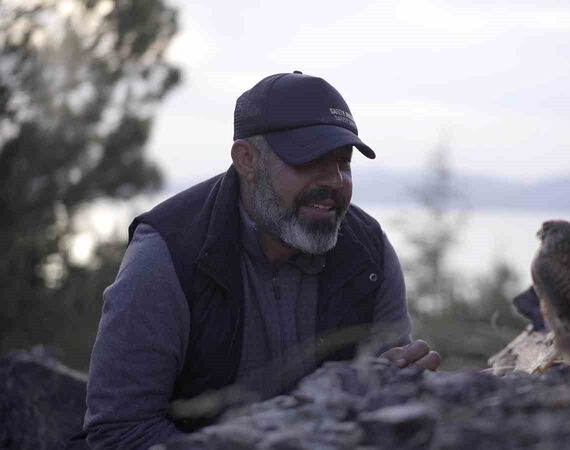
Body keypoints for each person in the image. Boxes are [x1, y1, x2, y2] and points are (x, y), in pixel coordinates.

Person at [82, 72, 440, 449]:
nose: (334, 181)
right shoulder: (166, 256)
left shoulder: (369, 254)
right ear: (247, 160)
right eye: (312, 159)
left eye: (343, 161)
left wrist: (403, 386)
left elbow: (390, 408)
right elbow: (120, 430)